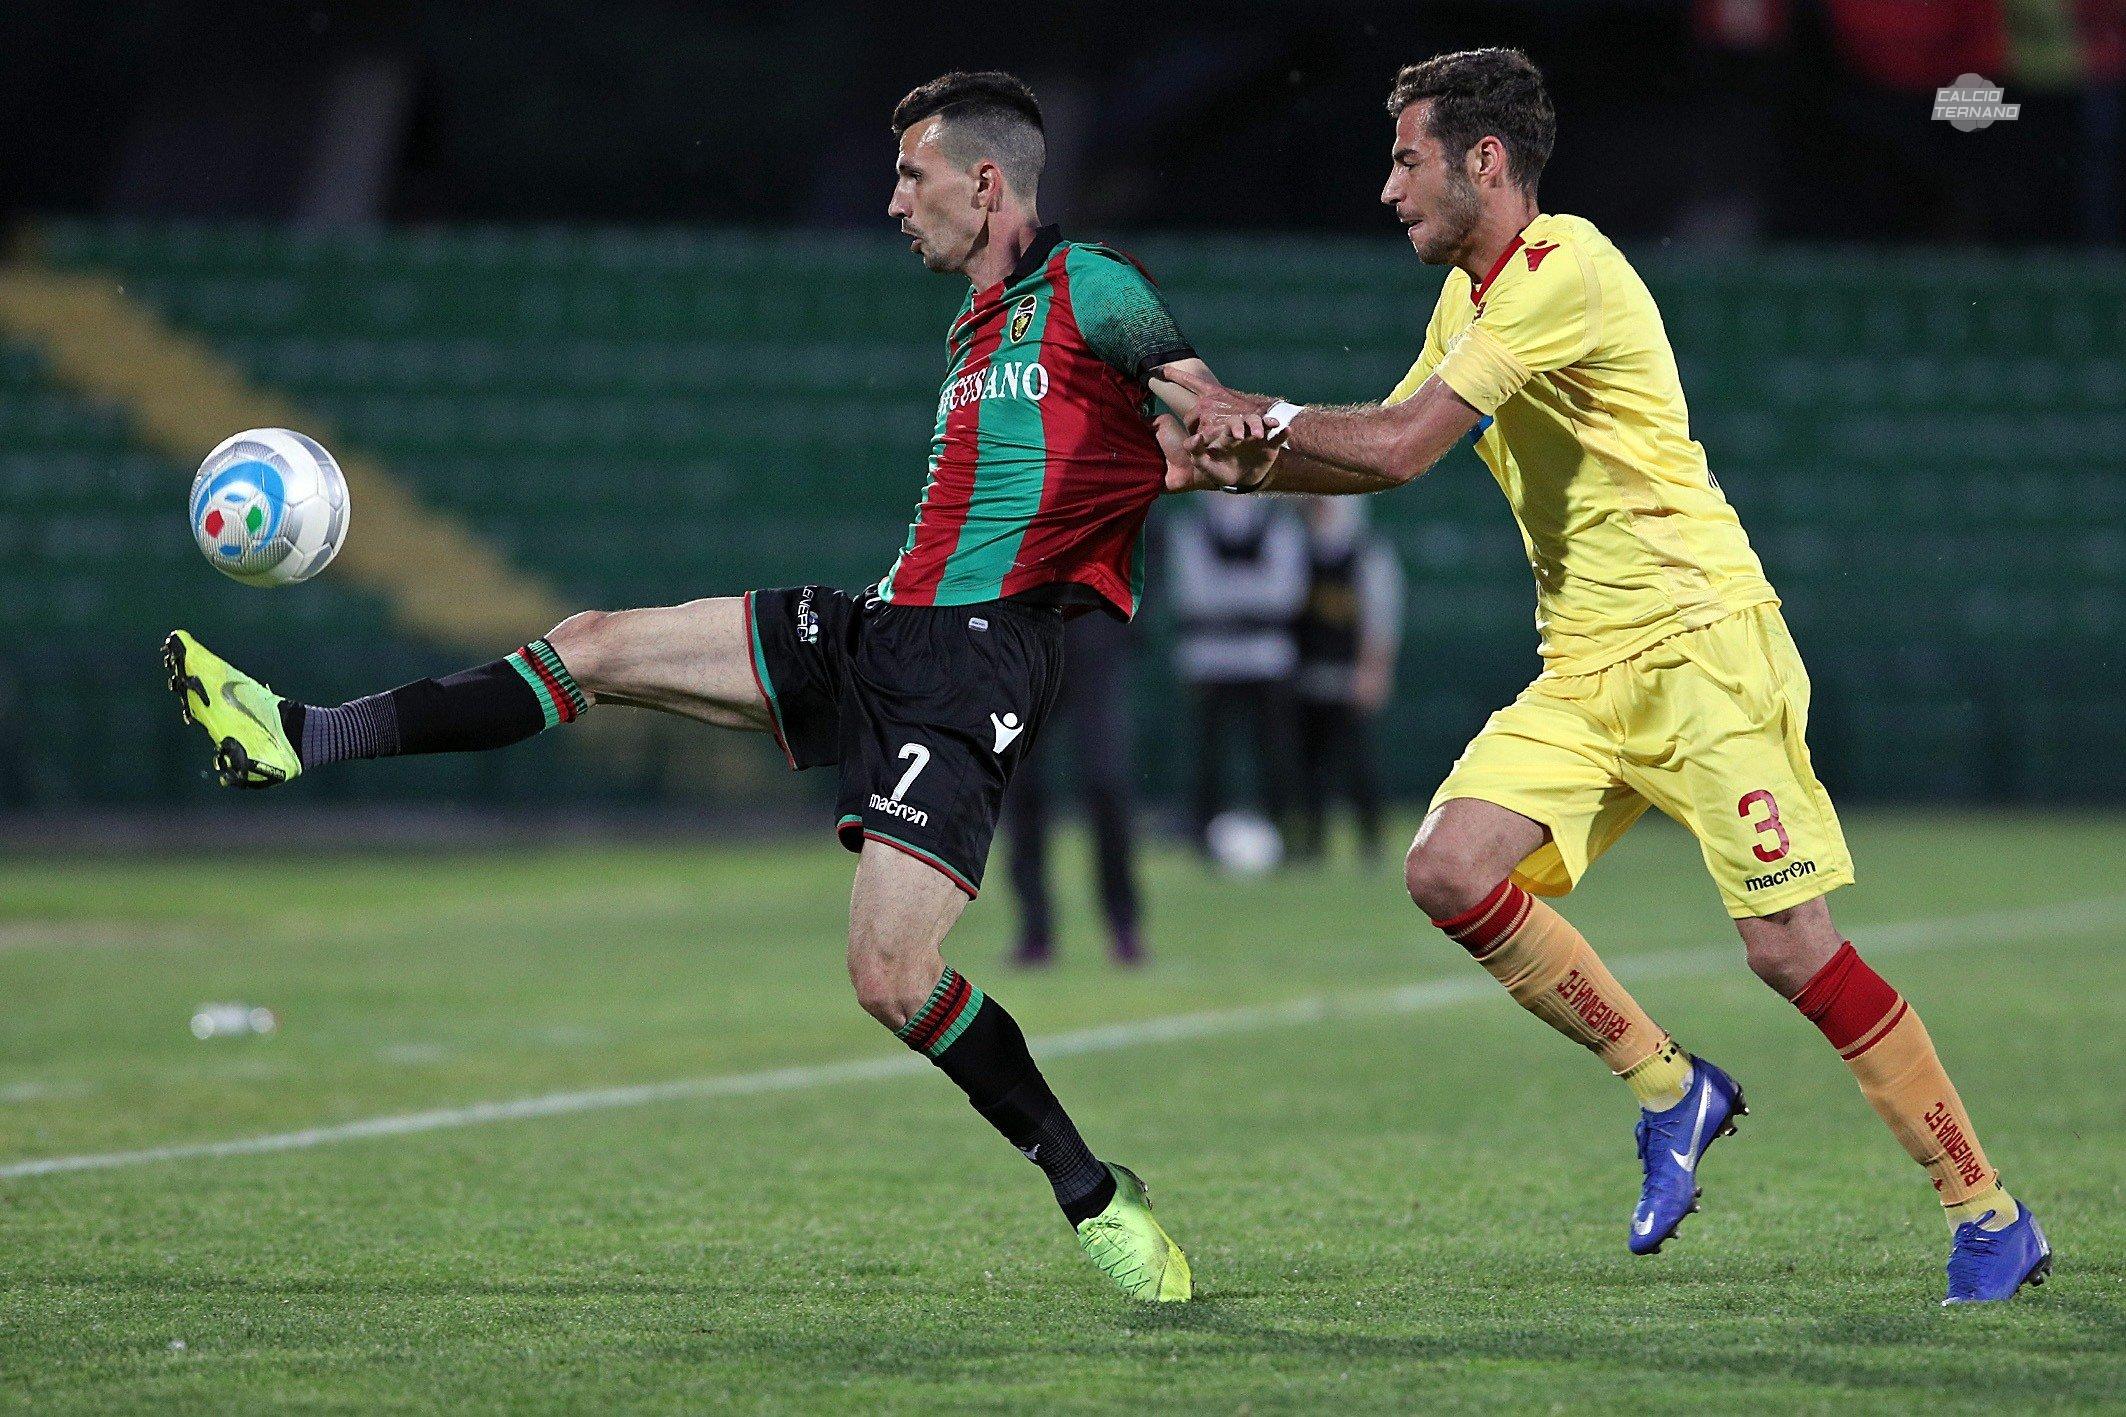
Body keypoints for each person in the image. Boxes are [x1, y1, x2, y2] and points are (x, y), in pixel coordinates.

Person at [163, 70, 1227, 1303]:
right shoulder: (973, 328)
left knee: (889, 977)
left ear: (985, 182)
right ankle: (299, 735)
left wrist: (1248, 430)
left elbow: (1194, 402)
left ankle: (1094, 1192)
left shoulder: (1085, 282)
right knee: (597, 642)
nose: (891, 201)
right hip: (881, 627)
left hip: (978, 663)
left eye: (910, 176)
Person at [1170, 48, 2045, 1304]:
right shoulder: (1465, 300)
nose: (1384, 188)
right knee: (1447, 868)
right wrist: (1220, 465)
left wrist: (1243, 412)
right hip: (1584, 666)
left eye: (1406, 159)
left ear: (1483, 162)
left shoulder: (1560, 269)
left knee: (1790, 950)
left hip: (1699, 652)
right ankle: (1671, 1085)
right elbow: (1361, 454)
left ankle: (1987, 1211)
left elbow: (1402, 448)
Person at [1000, 611, 1147, 966]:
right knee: (1022, 784)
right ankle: (1034, 930)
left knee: (1106, 781)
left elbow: (1144, 556)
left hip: (1094, 632)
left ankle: (1123, 925)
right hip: (1028, 634)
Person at [1166, 496, 1308, 856]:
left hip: (1266, 659)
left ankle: (1284, 830)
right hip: (1211, 661)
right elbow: (1192, 594)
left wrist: (1226, 592)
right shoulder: (1192, 527)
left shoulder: (1278, 523)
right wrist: (1251, 591)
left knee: (1276, 752)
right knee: (1207, 756)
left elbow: (1287, 594)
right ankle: (1201, 832)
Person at [1290, 499, 1403, 864]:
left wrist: (1374, 671)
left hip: (1348, 678)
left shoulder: (1367, 553)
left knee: (1358, 767)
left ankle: (1371, 841)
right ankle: (1311, 844)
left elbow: (1381, 618)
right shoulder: (1296, 548)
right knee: (1310, 770)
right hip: (1307, 676)